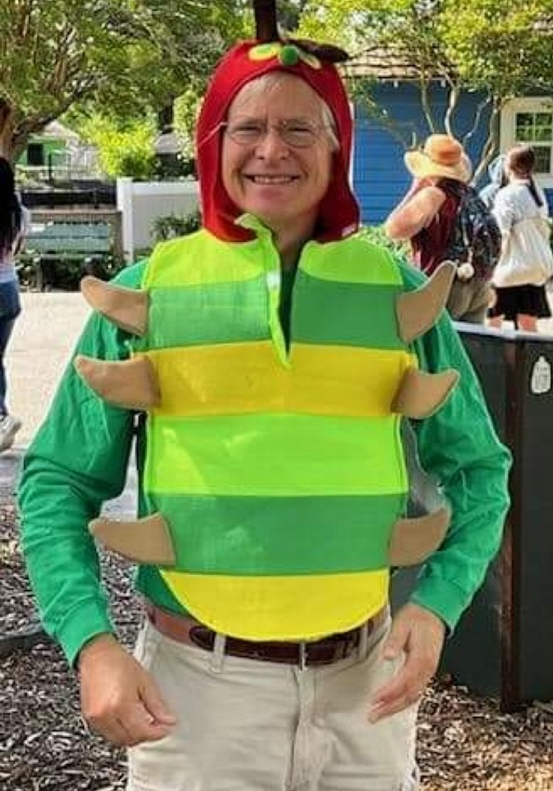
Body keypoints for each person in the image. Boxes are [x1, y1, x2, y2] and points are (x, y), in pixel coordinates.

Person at [19, 20, 511, 791]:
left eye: (298, 128)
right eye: (246, 127)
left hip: (367, 688)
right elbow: (56, 479)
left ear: (337, 146)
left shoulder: (399, 295)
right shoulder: (147, 293)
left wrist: (437, 603)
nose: (270, 150)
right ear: (213, 143)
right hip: (194, 697)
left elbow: (480, 466)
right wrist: (92, 643)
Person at [385, 134, 496, 324]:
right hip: (478, 286)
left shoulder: (433, 195)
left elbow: (393, 230)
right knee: (467, 342)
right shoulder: (470, 195)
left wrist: (414, 190)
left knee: (428, 341)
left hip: (443, 286)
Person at [487, 145, 552, 332]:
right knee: (528, 323)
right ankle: (529, 352)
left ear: (509, 166)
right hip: (535, 267)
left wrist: (492, 265)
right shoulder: (537, 193)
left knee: (494, 320)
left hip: (510, 269)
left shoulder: (507, 194)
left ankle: (489, 352)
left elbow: (502, 233)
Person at [0, 156, 27, 452]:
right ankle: (2, 419)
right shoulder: (19, 213)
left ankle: (2, 418)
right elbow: (17, 250)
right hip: (9, 290)